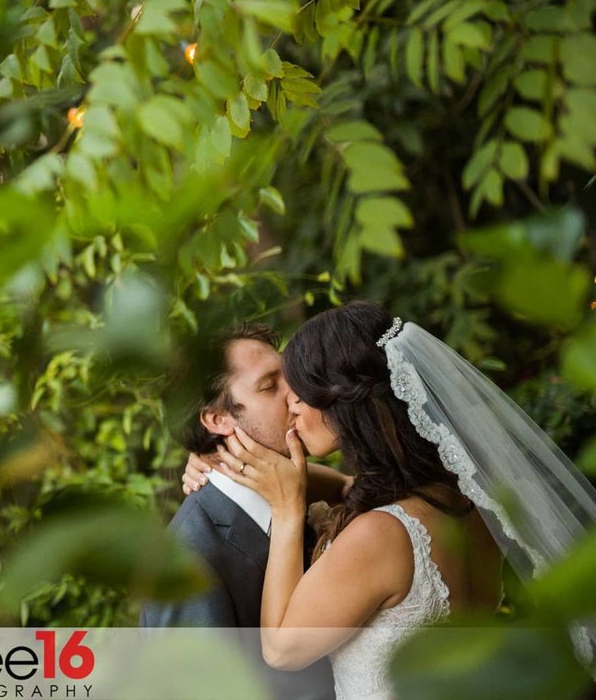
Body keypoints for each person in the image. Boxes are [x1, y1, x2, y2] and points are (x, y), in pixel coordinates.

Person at [211, 300, 596, 700]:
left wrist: (286, 510)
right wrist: (218, 455)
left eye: (299, 396)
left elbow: (280, 649)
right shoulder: (464, 499)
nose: (291, 410)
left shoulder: (380, 535)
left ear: (342, 404)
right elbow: (345, 485)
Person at [140, 323, 336, 700]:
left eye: (288, 376)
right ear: (217, 420)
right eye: (269, 386)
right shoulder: (187, 561)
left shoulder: (301, 493)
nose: (295, 395)